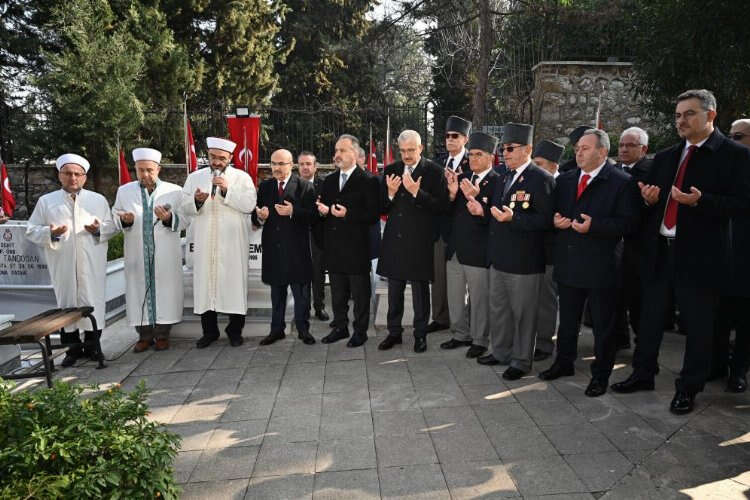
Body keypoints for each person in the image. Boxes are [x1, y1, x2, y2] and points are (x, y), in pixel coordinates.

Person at [611, 90, 750, 414]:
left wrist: (701, 201)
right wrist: (649, 199)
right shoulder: (667, 157)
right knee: (650, 319)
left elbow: (743, 205)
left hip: (702, 257)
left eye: (689, 114)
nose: (681, 121)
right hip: (660, 252)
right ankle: (643, 373)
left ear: (711, 115)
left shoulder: (735, 156)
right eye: (677, 115)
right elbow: (652, 202)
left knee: (698, 327)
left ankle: (689, 387)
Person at [539, 129, 636, 398]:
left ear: (602, 152)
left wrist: (596, 226)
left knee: (604, 326)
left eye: (585, 148)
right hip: (569, 262)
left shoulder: (621, 182)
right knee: (568, 321)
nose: (578, 152)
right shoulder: (567, 180)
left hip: (601, 266)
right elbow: (554, 213)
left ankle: (600, 375)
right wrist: (556, 221)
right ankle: (563, 363)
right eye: (577, 148)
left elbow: (629, 223)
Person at [475, 124, 555, 380]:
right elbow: (496, 213)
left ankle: (521, 360)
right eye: (503, 149)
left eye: (510, 148)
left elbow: (546, 220)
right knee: (499, 310)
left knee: (523, 314)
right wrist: (482, 211)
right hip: (499, 257)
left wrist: (515, 218)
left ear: (527, 149)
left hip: (524, 261)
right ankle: (500, 351)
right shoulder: (503, 176)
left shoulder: (541, 179)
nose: (505, 153)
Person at [26, 153, 115, 366]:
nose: (73, 178)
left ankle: (93, 348)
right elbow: (31, 230)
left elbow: (111, 226)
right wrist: (51, 233)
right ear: (60, 175)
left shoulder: (97, 200)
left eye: (77, 174)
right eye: (67, 173)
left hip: (91, 261)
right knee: (66, 304)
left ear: (84, 177)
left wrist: (98, 230)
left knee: (93, 301)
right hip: (63, 263)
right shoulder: (47, 202)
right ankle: (72, 351)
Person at [180, 137, 257, 348]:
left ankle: (235, 331)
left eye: (221, 158)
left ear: (230, 158)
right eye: (213, 157)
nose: (216, 161)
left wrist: (226, 191)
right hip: (205, 242)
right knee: (206, 286)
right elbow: (183, 207)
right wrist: (196, 201)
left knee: (234, 285)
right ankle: (209, 332)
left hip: (232, 244)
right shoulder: (194, 178)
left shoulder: (242, 178)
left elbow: (249, 204)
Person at [378, 130, 449, 353]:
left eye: (411, 150)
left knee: (420, 292)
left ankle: (420, 334)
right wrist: (390, 193)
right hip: (395, 239)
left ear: (420, 148)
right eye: (403, 151)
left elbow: (442, 207)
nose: (407, 155)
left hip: (420, 240)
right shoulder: (391, 170)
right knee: (394, 291)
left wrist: (417, 193)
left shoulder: (434, 171)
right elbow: (380, 208)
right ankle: (394, 332)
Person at [112, 148, 185, 353]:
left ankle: (162, 335)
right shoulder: (124, 191)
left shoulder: (175, 191)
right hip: (137, 252)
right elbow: (115, 214)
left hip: (165, 253)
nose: (145, 174)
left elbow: (186, 218)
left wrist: (169, 219)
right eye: (140, 170)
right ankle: (144, 336)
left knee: (165, 291)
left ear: (158, 169)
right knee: (138, 291)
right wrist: (124, 220)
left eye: (149, 170)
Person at [316, 134, 380, 347]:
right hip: (334, 247)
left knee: (360, 294)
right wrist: (324, 211)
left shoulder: (368, 180)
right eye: (336, 150)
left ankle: (360, 331)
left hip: (357, 248)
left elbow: (373, 215)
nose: (337, 154)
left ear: (354, 153)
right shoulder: (329, 181)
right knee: (337, 293)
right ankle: (340, 327)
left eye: (342, 150)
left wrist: (348, 214)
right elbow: (325, 210)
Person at [440, 132, 499, 359]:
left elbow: (496, 218)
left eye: (478, 154)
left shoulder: (498, 181)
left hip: (479, 251)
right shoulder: (462, 177)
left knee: (479, 299)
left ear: (491, 157)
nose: (473, 159)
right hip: (456, 248)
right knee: (455, 296)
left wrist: (479, 197)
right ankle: (460, 334)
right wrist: (452, 195)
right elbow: (446, 212)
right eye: (471, 154)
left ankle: (480, 339)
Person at [252, 149, 317, 346]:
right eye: (273, 163)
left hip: (296, 251)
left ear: (291, 165)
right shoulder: (265, 187)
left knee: (301, 295)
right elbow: (256, 214)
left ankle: (303, 330)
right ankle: (276, 330)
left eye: (281, 164)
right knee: (277, 294)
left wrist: (292, 211)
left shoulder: (305, 186)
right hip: (274, 249)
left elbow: (313, 217)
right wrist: (260, 216)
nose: (276, 168)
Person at [711, 118, 750, 391]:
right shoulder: (723, 168)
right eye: (730, 136)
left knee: (746, 321)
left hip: (746, 260)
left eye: (738, 137)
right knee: (718, 318)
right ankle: (716, 366)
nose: (731, 141)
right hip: (721, 256)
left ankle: (738, 371)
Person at [429, 115, 472, 334]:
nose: (450, 140)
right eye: (447, 136)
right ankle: (440, 317)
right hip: (440, 229)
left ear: (465, 139)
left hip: (464, 229)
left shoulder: (472, 163)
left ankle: (464, 322)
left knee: (464, 281)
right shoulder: (438, 163)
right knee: (438, 277)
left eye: (455, 136)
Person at [613, 127, 653, 350]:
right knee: (614, 297)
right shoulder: (612, 171)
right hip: (613, 245)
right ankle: (619, 338)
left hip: (639, 246)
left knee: (638, 301)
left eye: (630, 145)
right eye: (621, 145)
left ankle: (643, 346)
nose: (624, 149)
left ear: (644, 149)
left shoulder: (653, 172)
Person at [531, 139, 564, 361]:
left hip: (552, 253)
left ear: (554, 165)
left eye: (539, 164)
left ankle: (544, 343)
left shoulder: (563, 185)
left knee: (546, 299)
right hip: (531, 250)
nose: (536, 168)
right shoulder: (534, 182)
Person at [298, 151, 329, 321]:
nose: (305, 167)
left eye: (308, 164)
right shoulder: (292, 184)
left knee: (318, 273)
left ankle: (319, 307)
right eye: (302, 164)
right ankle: (303, 308)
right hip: (298, 235)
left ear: (315, 167)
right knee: (301, 274)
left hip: (318, 235)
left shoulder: (324, 185)